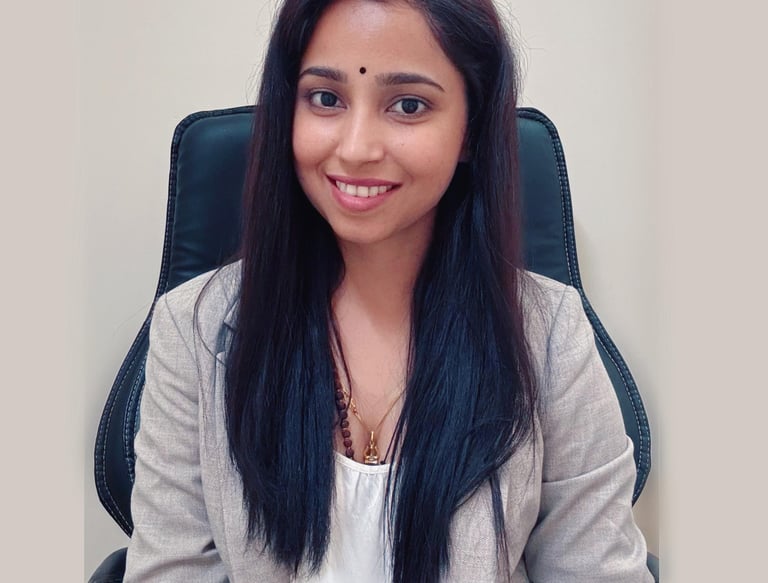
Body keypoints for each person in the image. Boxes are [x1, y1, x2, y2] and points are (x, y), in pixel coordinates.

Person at [124, 0, 652, 581]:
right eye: (325, 98)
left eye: (409, 105)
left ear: (470, 131)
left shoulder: (550, 336)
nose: (356, 149)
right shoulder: (193, 330)